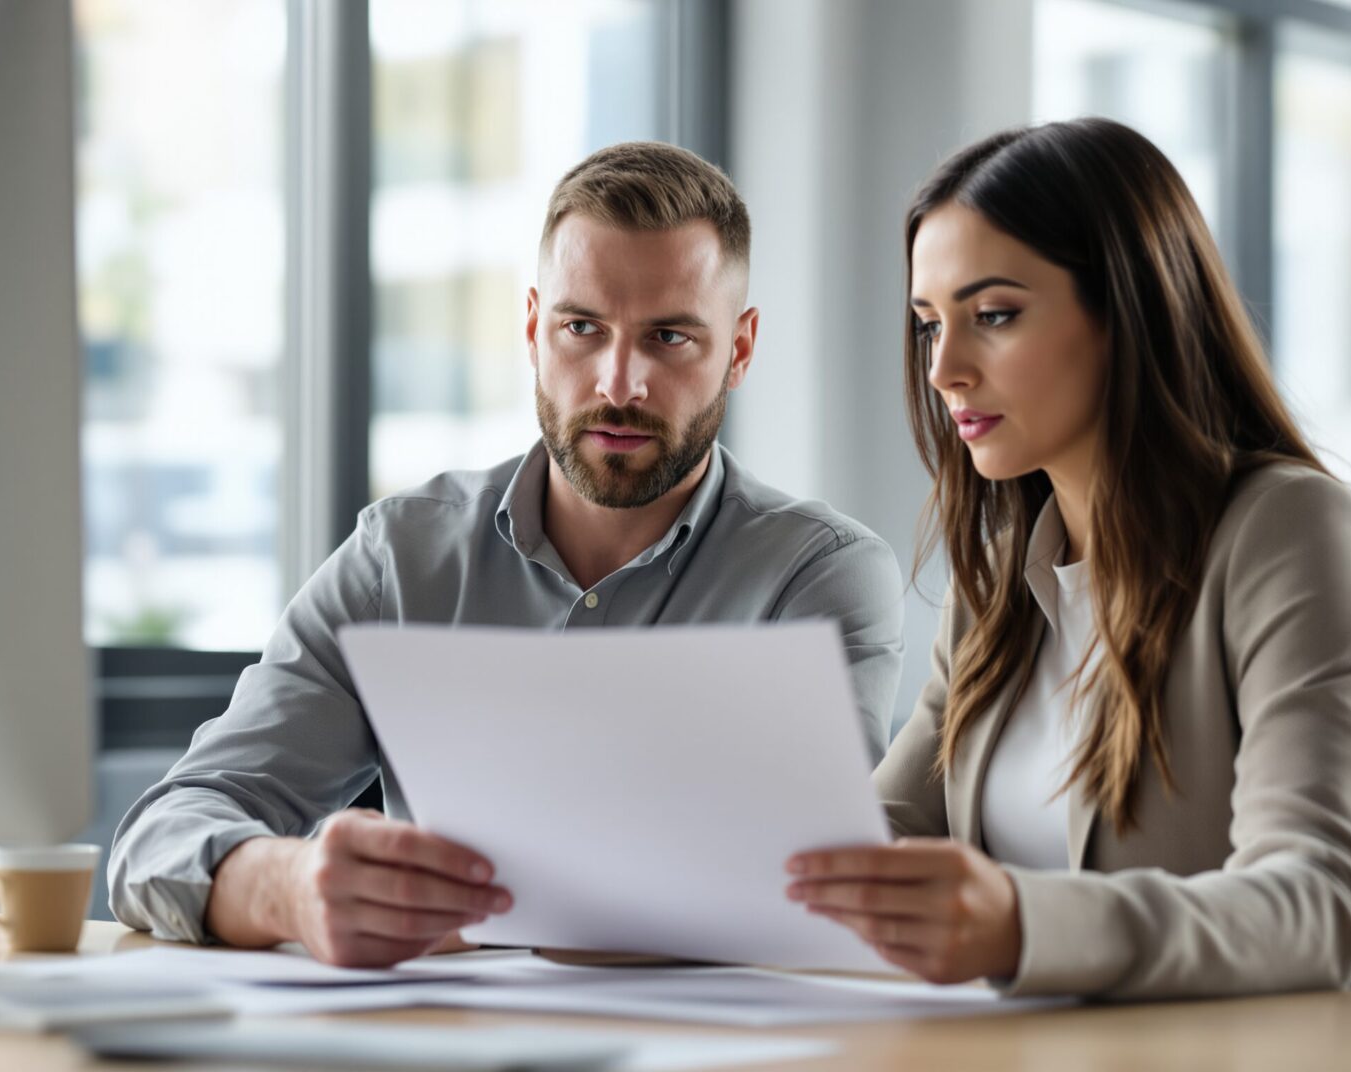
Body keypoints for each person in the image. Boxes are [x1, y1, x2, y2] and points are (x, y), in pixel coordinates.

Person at [111, 141, 905, 967]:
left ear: (739, 350)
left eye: (669, 337)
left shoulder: (819, 576)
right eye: (581, 328)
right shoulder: (402, 555)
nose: (619, 384)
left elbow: (814, 888)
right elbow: (159, 836)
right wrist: (291, 886)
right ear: (533, 328)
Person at [784, 118, 1351, 1000]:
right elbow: (873, 838)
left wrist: (1022, 924)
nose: (945, 369)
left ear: (1128, 310)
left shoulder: (1288, 531)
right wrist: (637, 896)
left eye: (996, 316)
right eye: (930, 324)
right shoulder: (1003, 580)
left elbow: (1321, 902)